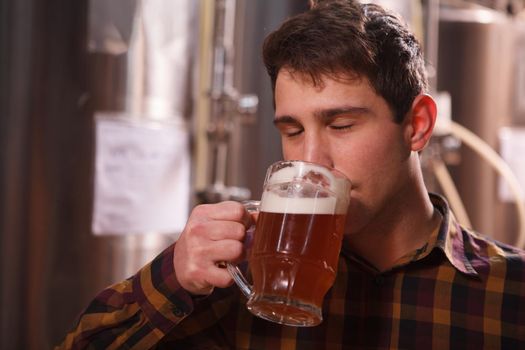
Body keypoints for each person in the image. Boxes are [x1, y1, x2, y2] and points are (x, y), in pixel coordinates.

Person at [58, 0, 525, 348]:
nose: (312, 160)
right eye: (293, 130)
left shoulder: (508, 295)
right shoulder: (241, 281)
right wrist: (174, 277)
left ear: (417, 125)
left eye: (341, 125)